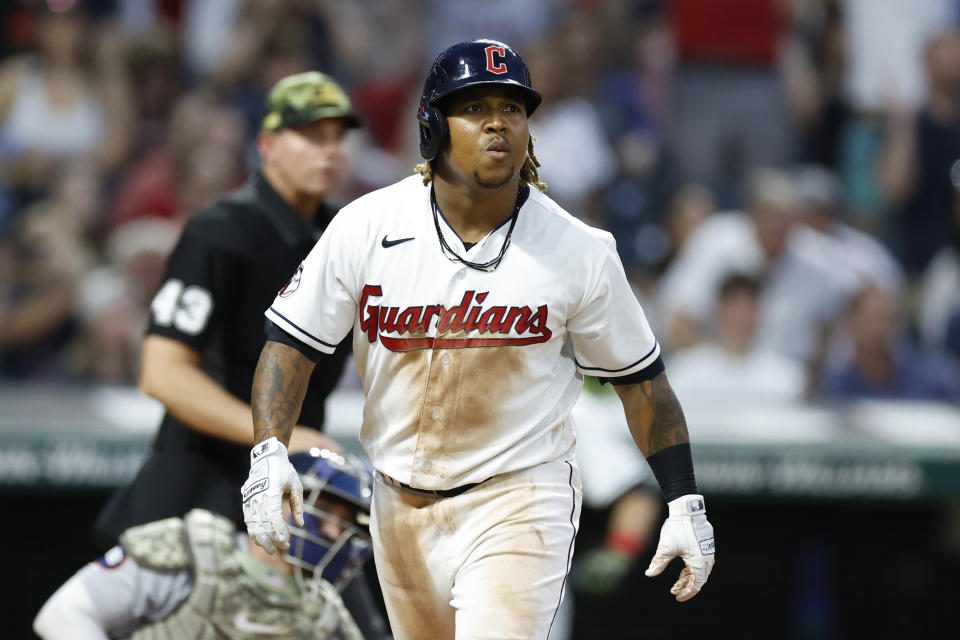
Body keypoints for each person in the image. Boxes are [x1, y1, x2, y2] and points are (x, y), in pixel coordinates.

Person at [240, 40, 716, 639]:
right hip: (397, 498)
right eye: (475, 107)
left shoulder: (578, 249)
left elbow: (643, 383)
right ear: (432, 127)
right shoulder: (368, 225)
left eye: (513, 108)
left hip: (519, 494)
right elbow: (291, 345)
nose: (498, 122)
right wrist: (268, 453)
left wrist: (683, 500)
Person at [93, 71, 360, 547]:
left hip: (283, 490)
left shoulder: (344, 234)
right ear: (268, 144)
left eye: (338, 136)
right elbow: (162, 372)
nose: (331, 150)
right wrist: (276, 439)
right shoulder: (222, 229)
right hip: (194, 489)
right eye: (311, 135)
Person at [35, 450, 375, 640]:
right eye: (324, 509)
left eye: (345, 521)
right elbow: (62, 615)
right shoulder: (192, 551)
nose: (333, 529)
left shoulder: (329, 615)